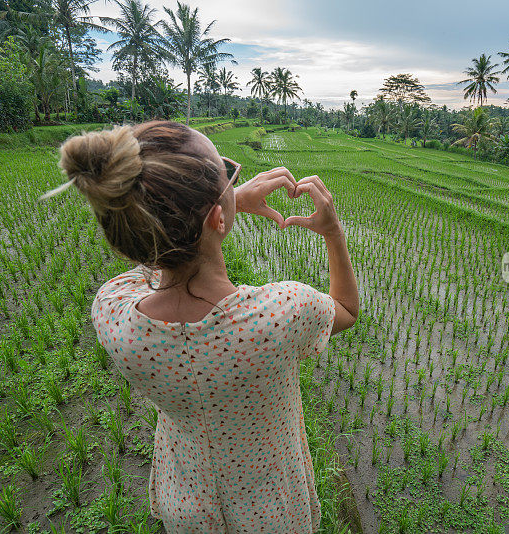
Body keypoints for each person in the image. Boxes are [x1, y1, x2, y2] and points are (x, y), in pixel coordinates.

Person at [41, 120, 359, 533]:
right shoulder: (281, 312)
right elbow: (346, 310)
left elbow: (149, 249)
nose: (233, 179)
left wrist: (221, 206)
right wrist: (332, 231)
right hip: (273, 510)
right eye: (228, 175)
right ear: (216, 216)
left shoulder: (114, 315)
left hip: (186, 505)